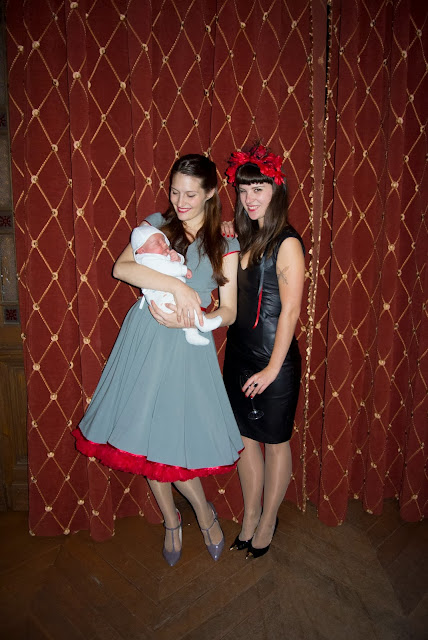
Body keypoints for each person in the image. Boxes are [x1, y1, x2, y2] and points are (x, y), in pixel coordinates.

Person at [72, 154, 243, 566]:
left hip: (188, 348)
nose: (180, 202)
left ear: (211, 193)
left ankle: (203, 512)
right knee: (145, 440)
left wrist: (200, 319)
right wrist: (177, 287)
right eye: (174, 191)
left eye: (190, 195)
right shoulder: (156, 226)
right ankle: (171, 521)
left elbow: (231, 311)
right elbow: (122, 269)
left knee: (170, 443)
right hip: (145, 340)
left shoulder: (226, 243)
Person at [222, 144, 305, 559]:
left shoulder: (287, 242)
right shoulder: (243, 236)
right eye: (243, 190)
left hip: (275, 360)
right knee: (243, 439)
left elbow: (290, 312)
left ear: (276, 190)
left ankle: (269, 518)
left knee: (274, 442)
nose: (250, 198)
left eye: (258, 189)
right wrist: (229, 238)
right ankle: (250, 513)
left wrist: (273, 369)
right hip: (238, 355)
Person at [130, 224, 222, 346]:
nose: (164, 245)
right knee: (186, 307)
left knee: (186, 306)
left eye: (164, 241)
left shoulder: (159, 255)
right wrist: (183, 270)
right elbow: (166, 268)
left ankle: (191, 333)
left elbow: (173, 262)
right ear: (141, 250)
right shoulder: (146, 259)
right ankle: (202, 323)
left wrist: (178, 258)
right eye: (157, 243)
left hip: (169, 295)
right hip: (161, 298)